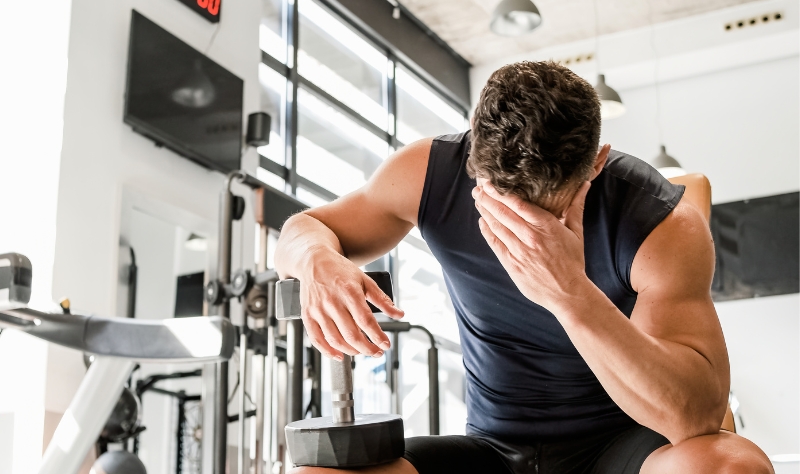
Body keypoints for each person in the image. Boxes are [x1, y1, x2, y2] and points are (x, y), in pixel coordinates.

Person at [274, 61, 773, 474]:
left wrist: (569, 294)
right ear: (474, 158)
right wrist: (317, 260)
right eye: (502, 205)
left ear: (596, 164)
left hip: (620, 450)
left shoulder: (660, 224)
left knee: (732, 466)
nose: (525, 230)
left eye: (548, 211)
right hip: (492, 452)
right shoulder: (429, 172)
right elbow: (304, 229)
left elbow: (697, 418)